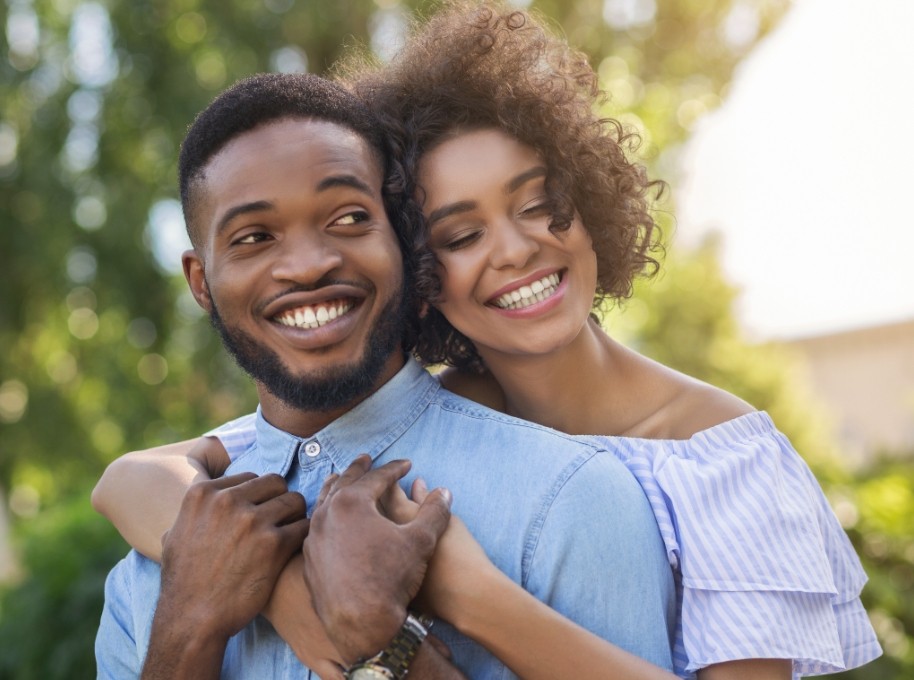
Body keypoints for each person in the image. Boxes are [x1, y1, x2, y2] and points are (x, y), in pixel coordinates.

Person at [94, 2, 882, 679]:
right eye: (462, 233)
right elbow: (148, 475)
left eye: (540, 205)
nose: (514, 251)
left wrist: (455, 595)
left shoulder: (699, 465)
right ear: (419, 263)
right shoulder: (355, 442)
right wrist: (254, 583)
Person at [94, 70, 677, 679]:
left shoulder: (573, 502)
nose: (310, 264)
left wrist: (389, 642)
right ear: (201, 283)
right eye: (255, 236)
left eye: (347, 218)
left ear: (404, 242)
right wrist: (187, 628)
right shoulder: (147, 578)